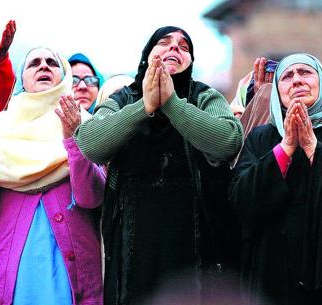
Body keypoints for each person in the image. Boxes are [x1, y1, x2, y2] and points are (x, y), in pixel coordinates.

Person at [75, 26, 243, 304]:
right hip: (133, 244)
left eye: (184, 46)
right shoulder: (125, 98)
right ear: (148, 55)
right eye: (164, 43)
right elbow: (91, 143)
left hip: (195, 241)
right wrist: (145, 105)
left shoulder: (204, 97)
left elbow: (228, 141)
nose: (174, 48)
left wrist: (172, 105)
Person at [230, 53, 322, 305]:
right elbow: (240, 200)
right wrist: (286, 147)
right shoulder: (260, 137)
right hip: (271, 278)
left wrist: (312, 147)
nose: (297, 80)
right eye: (287, 76)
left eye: (305, 73)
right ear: (278, 92)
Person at [0, 47, 105, 305]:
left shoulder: (86, 122)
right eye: (34, 63)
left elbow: (90, 197)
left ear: (64, 76)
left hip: (71, 269)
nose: (44, 66)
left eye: (51, 62)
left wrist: (73, 138)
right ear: (22, 80)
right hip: (7, 268)